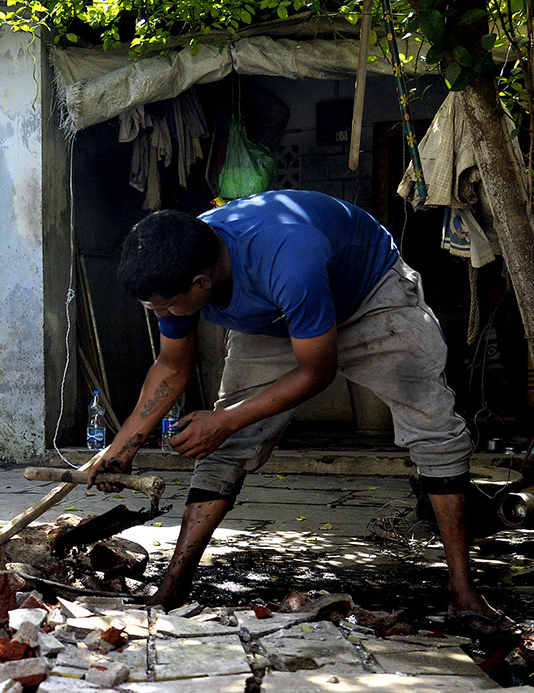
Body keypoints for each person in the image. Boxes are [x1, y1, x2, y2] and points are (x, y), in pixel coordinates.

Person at [87, 190, 507, 637]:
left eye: (167, 306)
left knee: (434, 429)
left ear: (201, 284)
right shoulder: (176, 263)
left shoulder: (290, 256)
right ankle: (172, 589)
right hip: (272, 319)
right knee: (225, 448)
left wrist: (225, 420)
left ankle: (463, 591)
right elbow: (172, 366)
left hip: (369, 295)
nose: (164, 315)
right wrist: (120, 449)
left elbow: (317, 372)